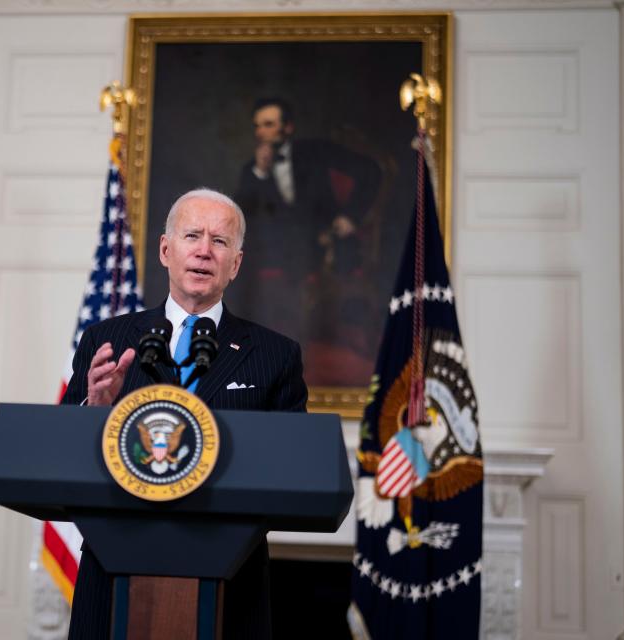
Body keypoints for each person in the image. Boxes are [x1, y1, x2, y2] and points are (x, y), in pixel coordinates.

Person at [61, 188, 308, 640]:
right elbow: (62, 461)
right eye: (192, 235)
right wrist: (95, 410)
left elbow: (292, 467)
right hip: (115, 569)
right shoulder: (107, 340)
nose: (203, 250)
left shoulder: (275, 355)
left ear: (235, 264)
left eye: (219, 241)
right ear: (165, 250)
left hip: (230, 580)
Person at [232, 98, 383, 342]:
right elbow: (240, 216)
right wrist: (260, 172)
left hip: (326, 245)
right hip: (278, 252)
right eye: (257, 126)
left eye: (268, 124)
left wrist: (351, 216)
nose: (261, 132)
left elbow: (371, 170)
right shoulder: (252, 170)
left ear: (288, 127)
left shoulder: (317, 152)